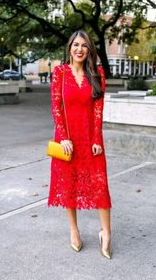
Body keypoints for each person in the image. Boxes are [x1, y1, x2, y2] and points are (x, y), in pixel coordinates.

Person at [48, 30, 112, 258]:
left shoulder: (97, 73)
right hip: (67, 139)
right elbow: (56, 107)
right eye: (76, 45)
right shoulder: (60, 73)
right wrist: (63, 136)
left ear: (89, 50)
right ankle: (74, 231)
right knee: (70, 184)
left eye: (84, 46)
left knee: (99, 183)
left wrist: (96, 139)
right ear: (69, 48)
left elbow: (98, 110)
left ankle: (106, 232)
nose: (79, 49)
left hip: (89, 137)